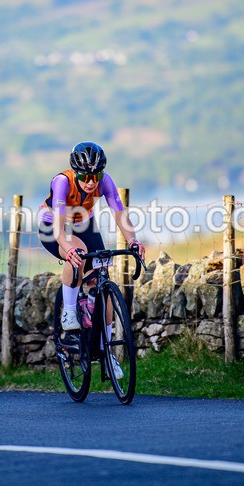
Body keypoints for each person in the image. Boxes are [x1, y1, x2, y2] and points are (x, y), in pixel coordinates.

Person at [38, 142, 146, 375]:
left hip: (83, 222)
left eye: (95, 175)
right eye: (85, 176)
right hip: (53, 225)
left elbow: (119, 213)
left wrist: (133, 241)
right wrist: (67, 249)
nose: (90, 181)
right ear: (76, 172)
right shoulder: (62, 182)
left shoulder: (104, 181)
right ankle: (68, 311)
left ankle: (106, 354)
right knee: (77, 253)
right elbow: (58, 228)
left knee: (101, 283)